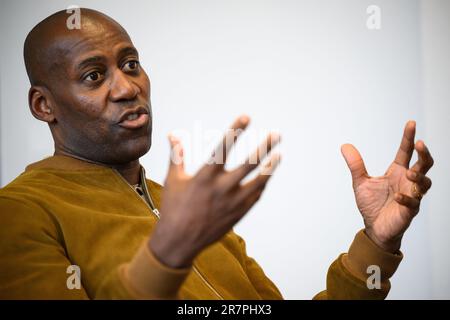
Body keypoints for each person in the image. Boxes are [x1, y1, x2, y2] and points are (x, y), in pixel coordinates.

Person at [0, 8, 434, 300]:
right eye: (94, 76)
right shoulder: (19, 212)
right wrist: (165, 257)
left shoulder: (184, 205)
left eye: (130, 64)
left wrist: (377, 243)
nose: (128, 88)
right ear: (44, 105)